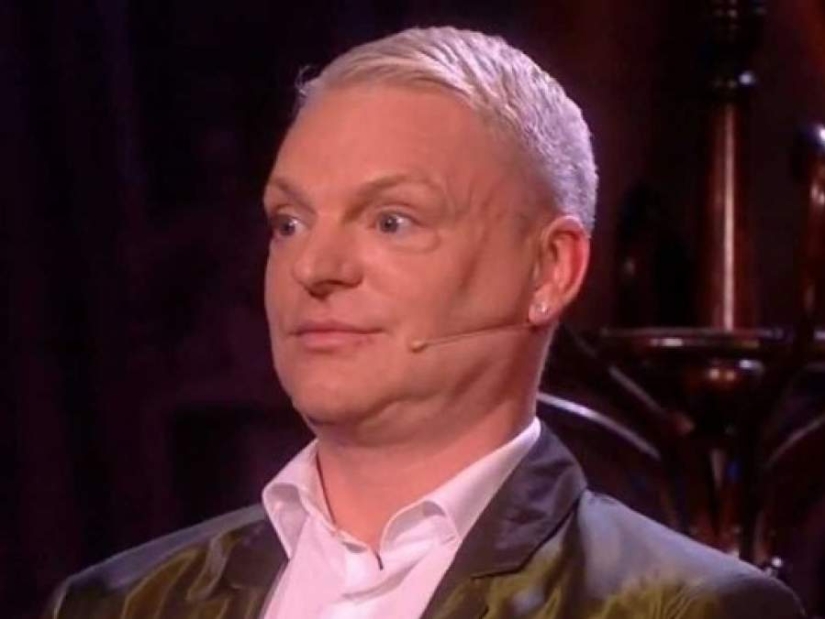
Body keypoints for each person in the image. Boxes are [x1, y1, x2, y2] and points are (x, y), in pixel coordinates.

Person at [43, 26, 805, 619]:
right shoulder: (120, 603)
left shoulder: (674, 606)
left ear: (549, 270)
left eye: (391, 220)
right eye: (289, 222)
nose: (315, 267)